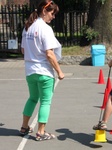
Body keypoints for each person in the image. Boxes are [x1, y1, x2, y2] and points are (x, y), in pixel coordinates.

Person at [20, 0, 64, 141]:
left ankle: (24, 127)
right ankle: (41, 132)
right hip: (44, 71)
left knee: (32, 98)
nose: (53, 16)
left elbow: (22, 49)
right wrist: (59, 71)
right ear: (44, 11)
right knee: (45, 102)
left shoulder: (27, 27)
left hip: (30, 70)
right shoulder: (45, 29)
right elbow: (49, 54)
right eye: (52, 13)